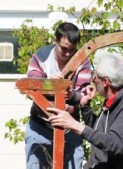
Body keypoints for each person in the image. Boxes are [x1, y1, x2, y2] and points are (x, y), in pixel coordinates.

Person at [46, 50, 123, 169]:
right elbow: (99, 133)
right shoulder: (112, 101)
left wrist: (74, 124)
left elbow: (115, 144)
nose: (92, 80)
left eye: (95, 76)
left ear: (105, 82)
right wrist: (85, 107)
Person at [25, 22, 92, 169]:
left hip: (70, 127)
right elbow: (31, 87)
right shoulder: (40, 58)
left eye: (72, 50)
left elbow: (83, 95)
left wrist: (70, 94)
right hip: (40, 126)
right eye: (64, 48)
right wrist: (50, 86)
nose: (67, 54)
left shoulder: (82, 62)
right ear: (55, 40)